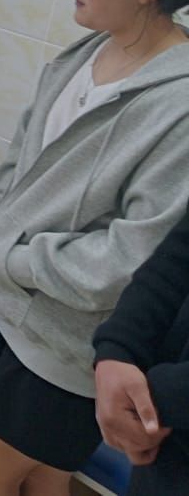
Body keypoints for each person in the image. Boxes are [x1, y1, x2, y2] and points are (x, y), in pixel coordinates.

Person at [0, 0, 189, 496]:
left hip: (78, 340)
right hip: (21, 312)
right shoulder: (85, 53)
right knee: (41, 478)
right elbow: (20, 161)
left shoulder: (178, 102)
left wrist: (14, 259)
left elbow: (133, 257)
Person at [93, 202, 189, 495]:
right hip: (165, 446)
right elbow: (178, 255)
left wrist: (158, 395)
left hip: (162, 409)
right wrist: (117, 350)